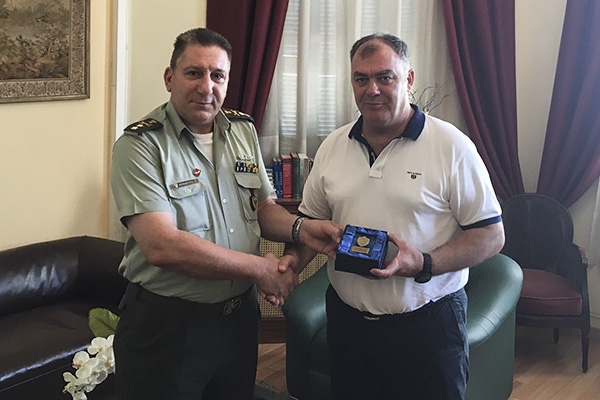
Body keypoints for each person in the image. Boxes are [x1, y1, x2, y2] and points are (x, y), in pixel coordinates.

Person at [110, 27, 341, 400]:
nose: (207, 86)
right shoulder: (141, 146)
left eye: (217, 75)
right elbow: (162, 246)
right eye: (193, 73)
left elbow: (263, 208)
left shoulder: (241, 130)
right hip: (168, 326)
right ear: (169, 78)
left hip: (239, 322)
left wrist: (302, 229)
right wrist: (260, 269)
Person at [280, 33, 505, 400]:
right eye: (361, 79)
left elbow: (491, 235)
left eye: (385, 77)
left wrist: (424, 263)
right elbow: (310, 224)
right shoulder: (333, 146)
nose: (372, 90)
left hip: (428, 325)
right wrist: (291, 263)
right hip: (348, 324)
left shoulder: (452, 147)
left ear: (409, 79)